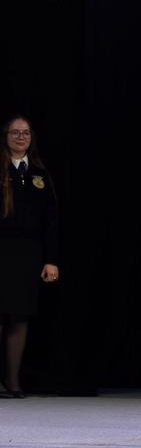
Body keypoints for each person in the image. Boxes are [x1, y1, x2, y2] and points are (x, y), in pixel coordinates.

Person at [0, 116, 59, 399]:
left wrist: (51, 260)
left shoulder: (39, 174)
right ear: (6, 136)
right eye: (14, 132)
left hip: (27, 257)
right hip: (2, 253)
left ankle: (13, 382)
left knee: (19, 318)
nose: (20, 137)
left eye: (25, 133)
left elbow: (51, 221)